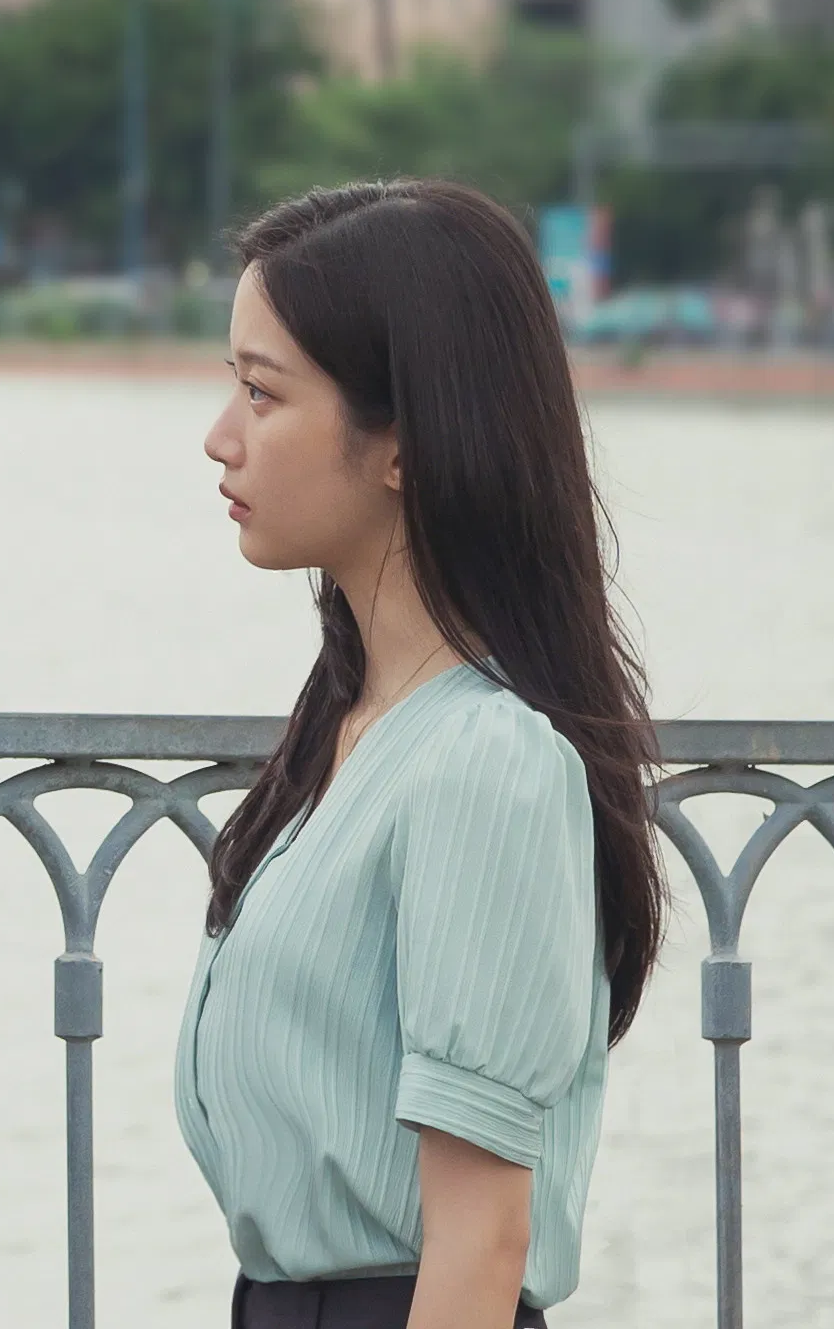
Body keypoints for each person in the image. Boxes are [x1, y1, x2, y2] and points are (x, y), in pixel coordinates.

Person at [178, 180, 664, 1329]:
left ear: (404, 442)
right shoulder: (350, 731)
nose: (220, 435)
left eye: (262, 392)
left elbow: (481, 1240)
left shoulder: (485, 762)